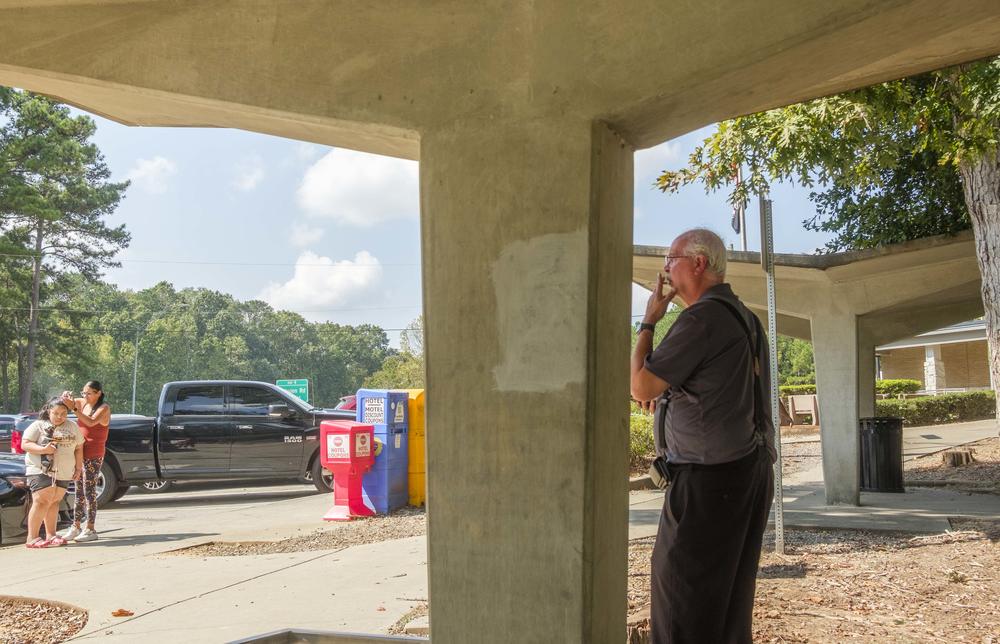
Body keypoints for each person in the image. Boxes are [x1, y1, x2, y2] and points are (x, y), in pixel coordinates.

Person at [630, 228, 776, 644]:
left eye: (671, 259)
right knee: (726, 605)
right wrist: (673, 392)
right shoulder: (745, 318)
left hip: (707, 481)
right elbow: (717, 388)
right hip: (747, 472)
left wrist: (648, 322)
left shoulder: (701, 318)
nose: (666, 270)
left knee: (681, 602)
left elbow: (640, 386)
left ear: (698, 263)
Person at [21, 397, 84, 548]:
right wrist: (44, 450)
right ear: (49, 411)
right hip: (40, 469)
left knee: (55, 501)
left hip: (64, 470)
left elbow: (79, 448)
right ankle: (32, 538)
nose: (60, 416)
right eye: (56, 413)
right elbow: (25, 444)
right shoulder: (38, 425)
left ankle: (51, 534)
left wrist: (78, 468)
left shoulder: (72, 426)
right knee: (41, 501)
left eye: (63, 413)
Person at [59, 381, 111, 543]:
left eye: (89, 393)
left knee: (89, 490)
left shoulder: (104, 408)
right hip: (80, 451)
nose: (85, 396)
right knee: (78, 491)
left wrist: (73, 408)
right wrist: (66, 397)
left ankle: (90, 528)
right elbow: (66, 402)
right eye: (83, 393)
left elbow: (90, 422)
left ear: (98, 393)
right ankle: (75, 526)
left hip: (94, 454)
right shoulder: (81, 402)